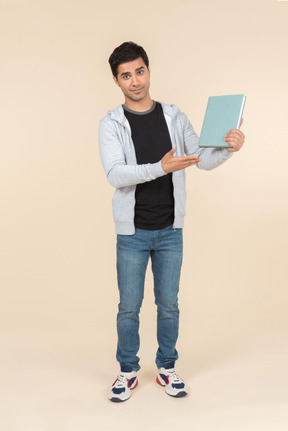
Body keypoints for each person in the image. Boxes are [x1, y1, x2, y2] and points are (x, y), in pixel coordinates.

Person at [98, 41, 245, 403]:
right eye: (126, 75)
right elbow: (116, 174)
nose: (135, 81)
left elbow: (201, 157)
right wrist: (159, 168)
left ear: (149, 70)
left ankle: (167, 366)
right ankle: (128, 371)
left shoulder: (174, 117)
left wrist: (227, 147)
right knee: (128, 307)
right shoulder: (111, 124)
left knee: (169, 304)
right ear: (117, 81)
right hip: (132, 233)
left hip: (170, 230)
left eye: (140, 71)